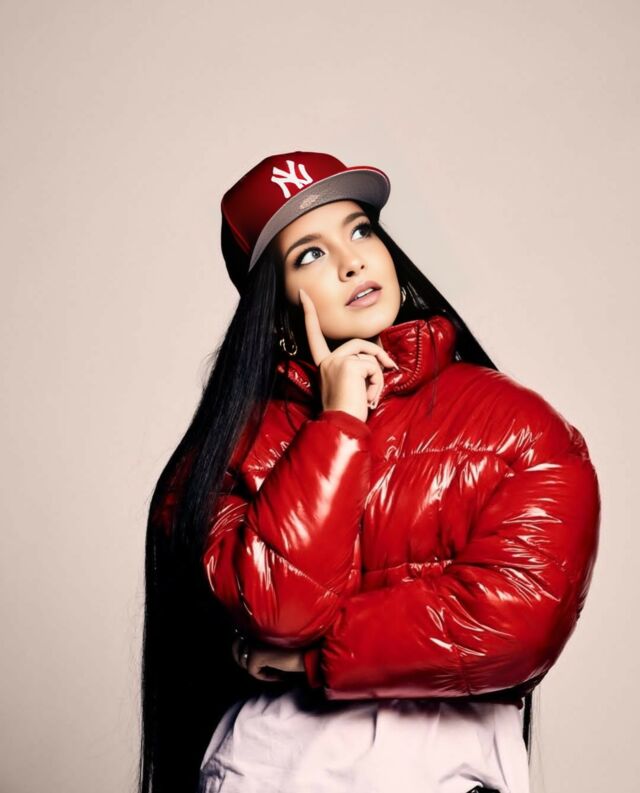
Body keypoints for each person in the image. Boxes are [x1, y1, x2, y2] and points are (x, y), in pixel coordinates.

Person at [138, 151, 601, 793]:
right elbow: (282, 610)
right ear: (272, 303)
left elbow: (514, 626)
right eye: (309, 255)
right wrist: (338, 424)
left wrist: (309, 660)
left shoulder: (520, 426)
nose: (352, 261)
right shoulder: (220, 458)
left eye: (360, 230)